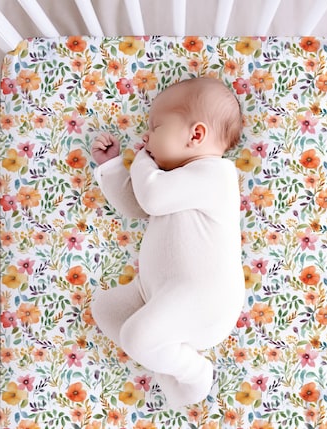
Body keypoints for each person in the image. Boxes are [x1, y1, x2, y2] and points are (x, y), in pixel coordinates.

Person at [90, 77, 245, 408]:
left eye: (156, 128)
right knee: (105, 309)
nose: (146, 137)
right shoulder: (171, 181)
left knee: (136, 336)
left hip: (203, 299)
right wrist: (114, 168)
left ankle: (195, 372)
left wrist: (143, 160)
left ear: (196, 135)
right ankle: (167, 356)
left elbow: (152, 197)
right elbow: (138, 204)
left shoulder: (216, 175)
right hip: (158, 293)